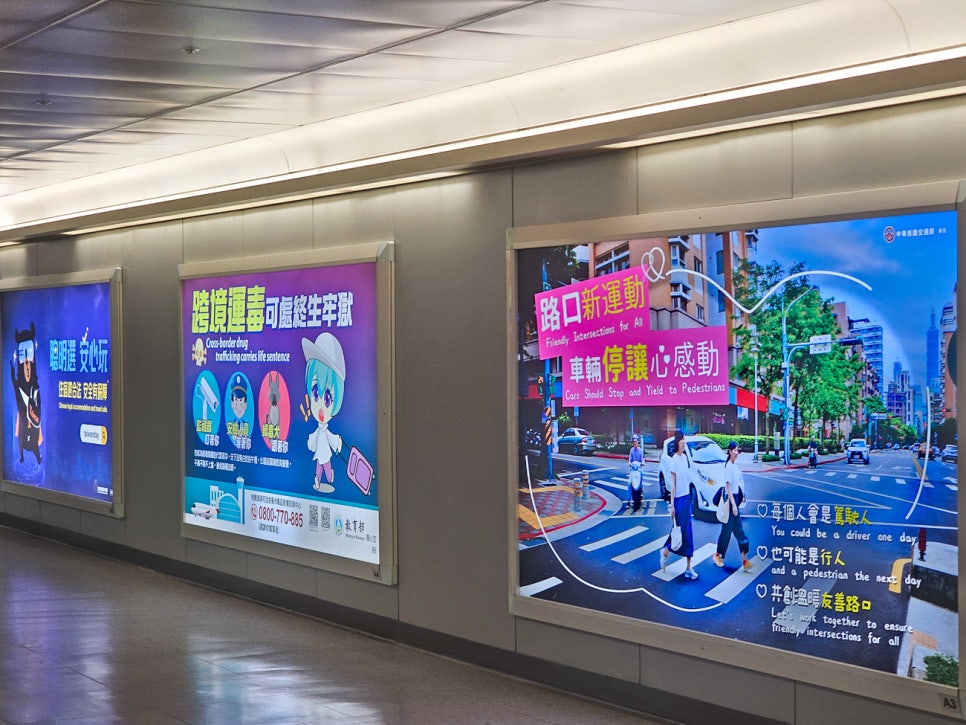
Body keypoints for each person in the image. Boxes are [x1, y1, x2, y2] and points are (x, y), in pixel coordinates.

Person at [661, 430, 697, 579]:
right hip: (679, 500)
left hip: (687, 498)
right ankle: (665, 551)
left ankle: (689, 566)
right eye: (682, 440)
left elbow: (689, 478)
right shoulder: (674, 459)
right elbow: (673, 485)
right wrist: (672, 505)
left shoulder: (685, 458)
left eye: (684, 440)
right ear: (677, 442)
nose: (684, 442)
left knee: (688, 532)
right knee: (678, 531)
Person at [713, 441, 752, 571]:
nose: (736, 452)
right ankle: (718, 555)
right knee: (726, 532)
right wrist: (734, 506)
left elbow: (737, 485)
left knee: (740, 532)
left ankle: (744, 560)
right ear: (730, 451)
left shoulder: (735, 467)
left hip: (735, 500)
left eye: (737, 450)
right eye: (734, 450)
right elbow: (728, 488)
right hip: (730, 502)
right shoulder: (729, 466)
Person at [627, 434, 644, 512]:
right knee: (629, 483)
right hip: (633, 470)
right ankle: (628, 500)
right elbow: (630, 459)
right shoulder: (631, 450)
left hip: (639, 469)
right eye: (634, 441)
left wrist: (642, 463)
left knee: (641, 479)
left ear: (638, 442)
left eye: (636, 441)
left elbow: (643, 459)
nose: (635, 443)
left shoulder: (640, 451)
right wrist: (629, 463)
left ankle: (641, 491)